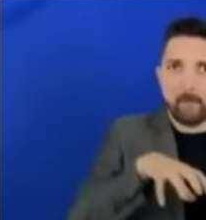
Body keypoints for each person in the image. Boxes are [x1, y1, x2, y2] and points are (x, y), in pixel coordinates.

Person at [69, 17, 206, 220]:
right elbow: (81, 216)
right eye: (175, 67)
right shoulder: (126, 133)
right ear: (160, 77)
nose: (188, 84)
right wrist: (140, 171)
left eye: (203, 68)